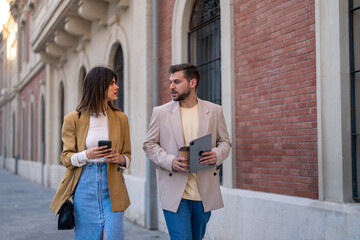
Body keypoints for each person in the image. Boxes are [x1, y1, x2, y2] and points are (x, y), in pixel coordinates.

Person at [143, 63, 231, 240]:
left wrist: (216, 154)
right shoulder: (161, 112)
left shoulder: (214, 111)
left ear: (192, 83)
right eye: (170, 82)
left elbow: (225, 142)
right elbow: (149, 144)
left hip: (203, 194)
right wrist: (170, 161)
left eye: (177, 82)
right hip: (175, 194)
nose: (171, 87)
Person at [50, 66, 131, 240]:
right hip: (84, 187)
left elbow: (128, 155)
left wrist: (120, 158)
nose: (117, 87)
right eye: (111, 83)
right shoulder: (73, 119)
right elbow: (65, 157)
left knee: (114, 236)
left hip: (113, 187)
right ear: (98, 86)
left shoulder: (121, 118)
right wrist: (87, 155)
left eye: (116, 82)